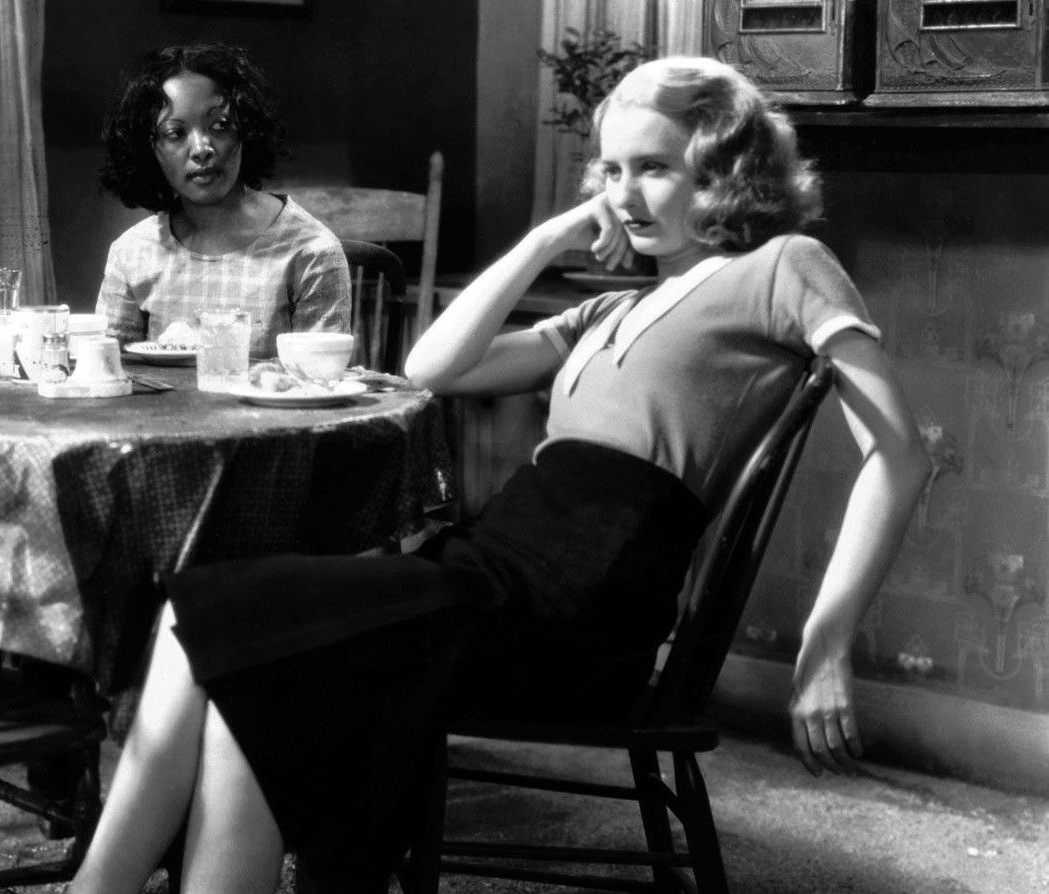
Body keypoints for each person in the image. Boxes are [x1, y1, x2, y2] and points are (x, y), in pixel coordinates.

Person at [67, 56, 929, 893]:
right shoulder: (610, 307)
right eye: (611, 171)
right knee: (248, 669)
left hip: (579, 600)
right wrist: (550, 236)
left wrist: (825, 643)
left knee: (208, 618)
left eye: (654, 168)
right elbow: (432, 367)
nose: (623, 195)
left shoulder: (783, 266)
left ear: (723, 172)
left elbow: (899, 454)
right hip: (490, 562)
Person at [95, 44, 352, 358]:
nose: (202, 148)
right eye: (175, 134)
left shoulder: (310, 251)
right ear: (150, 149)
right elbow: (108, 371)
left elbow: (319, 379)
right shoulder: (132, 253)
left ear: (246, 130)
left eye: (220, 125)